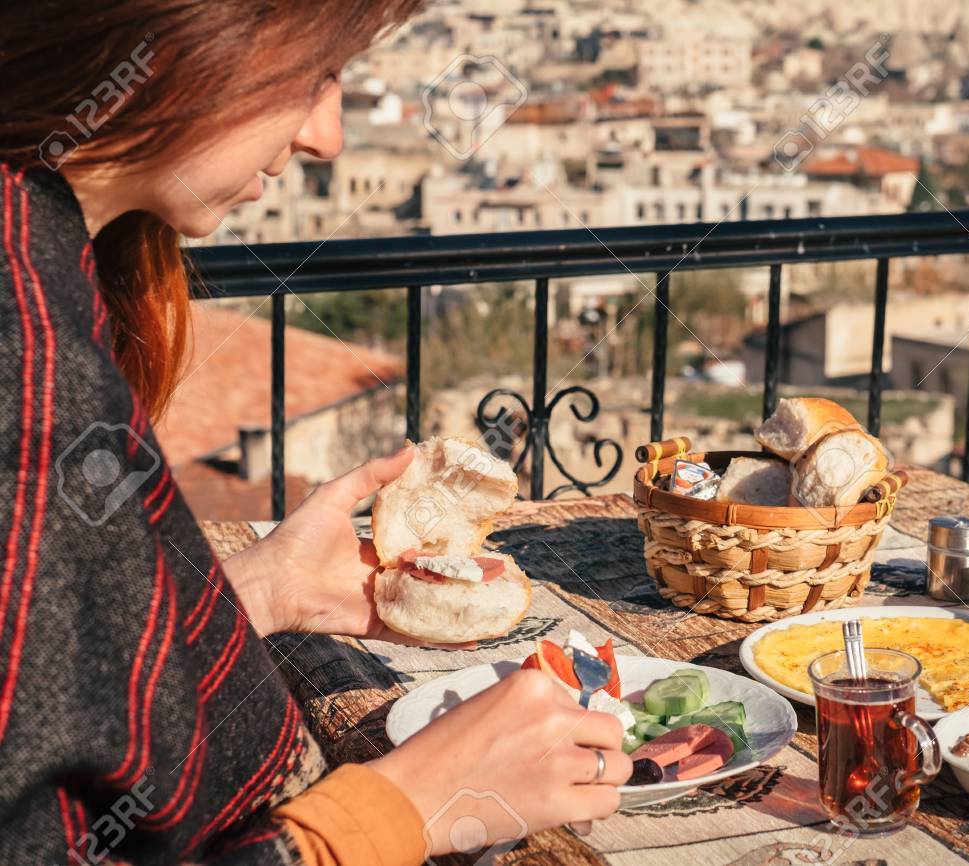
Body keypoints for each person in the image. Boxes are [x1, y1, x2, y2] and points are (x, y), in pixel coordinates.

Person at [0, 3, 632, 864]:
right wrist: (410, 804)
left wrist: (258, 592)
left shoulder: (41, 260)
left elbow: (45, 668)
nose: (328, 136)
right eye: (317, 71)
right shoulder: (28, 358)